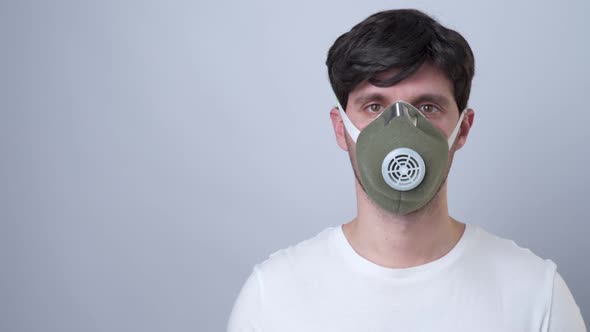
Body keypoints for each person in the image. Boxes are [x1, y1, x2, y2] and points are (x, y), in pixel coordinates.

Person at [226, 9, 586, 332]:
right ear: (340, 128)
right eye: (373, 106)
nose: (400, 129)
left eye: (427, 107)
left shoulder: (537, 296)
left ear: (462, 128)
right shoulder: (272, 298)